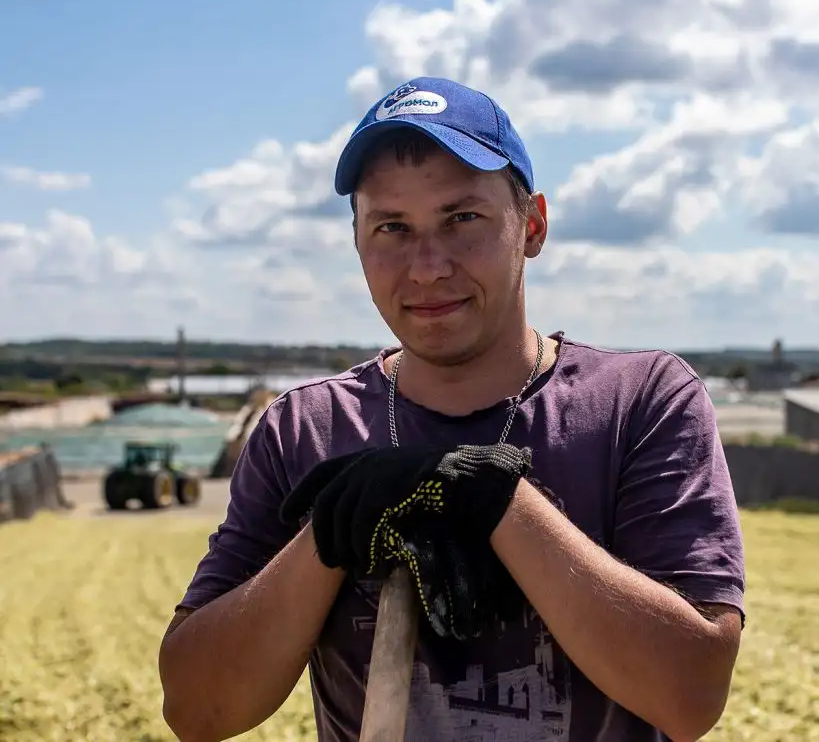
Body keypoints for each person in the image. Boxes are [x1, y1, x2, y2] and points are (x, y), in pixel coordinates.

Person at [157, 76, 747, 742]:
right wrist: (327, 537)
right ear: (357, 242)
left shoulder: (640, 403)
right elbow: (197, 710)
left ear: (532, 225)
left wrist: (499, 502)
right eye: (391, 228)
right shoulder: (306, 431)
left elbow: (690, 694)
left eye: (462, 218)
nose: (428, 266)